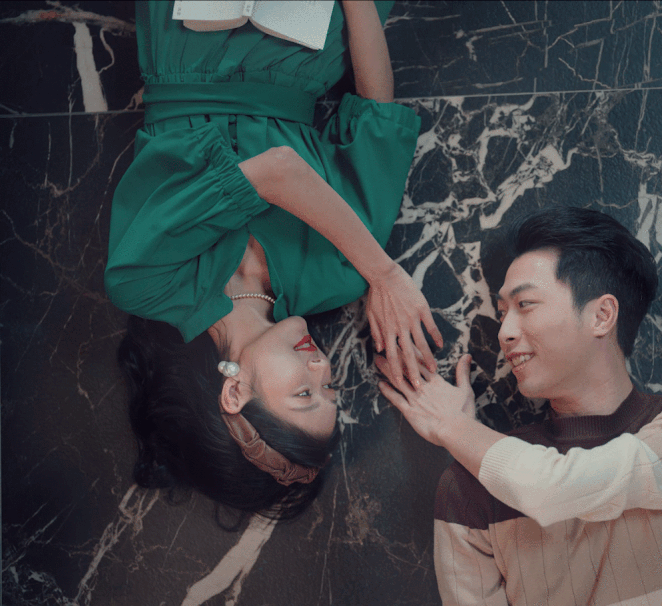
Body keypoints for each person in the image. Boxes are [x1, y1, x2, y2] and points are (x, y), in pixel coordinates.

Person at [106, 0, 442, 524]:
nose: (323, 366)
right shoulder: (338, 277)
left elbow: (277, 171)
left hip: (186, 34)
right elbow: (376, 116)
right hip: (307, 36)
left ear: (235, 391)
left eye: (305, 392)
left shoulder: (147, 282)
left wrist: (384, 272)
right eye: (331, 387)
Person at [378, 206, 662, 605]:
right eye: (502, 312)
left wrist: (454, 428)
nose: (504, 332)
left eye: (525, 304)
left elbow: (556, 487)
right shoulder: (470, 490)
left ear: (602, 315)